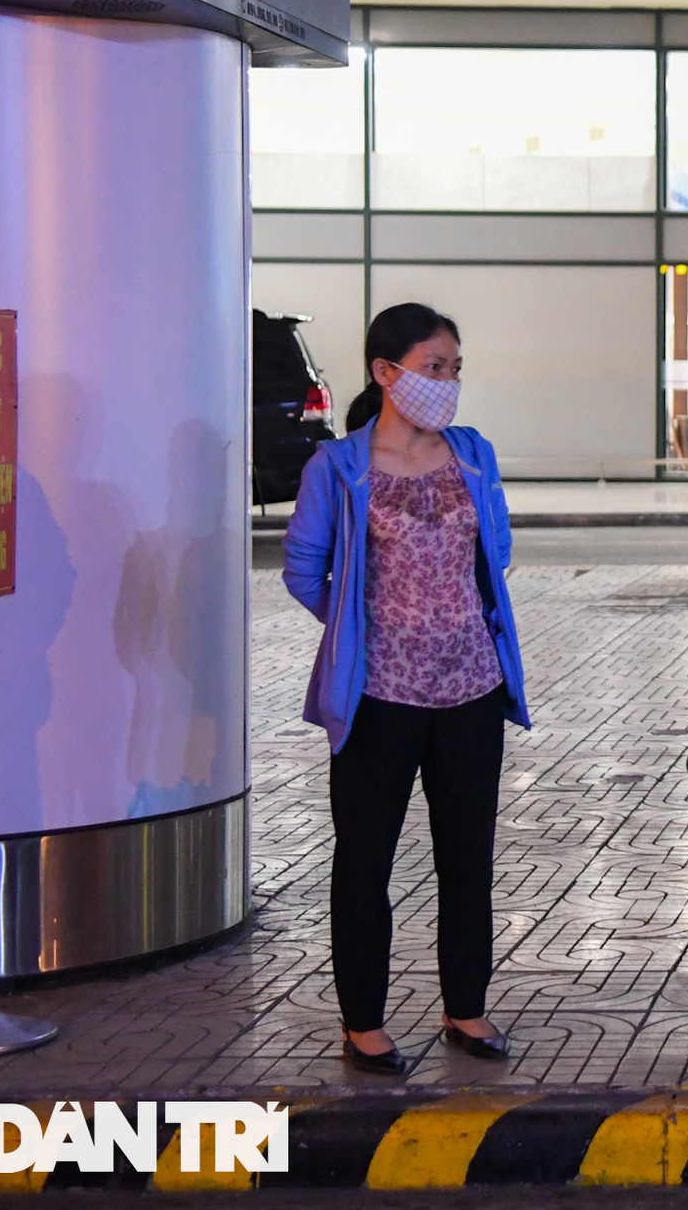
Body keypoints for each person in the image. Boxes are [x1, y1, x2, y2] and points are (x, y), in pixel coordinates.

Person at [283, 303, 532, 1075]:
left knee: (469, 860)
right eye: (434, 367)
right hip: (378, 699)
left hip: (470, 692)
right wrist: (362, 627)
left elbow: (500, 547)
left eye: (455, 368)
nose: (447, 383)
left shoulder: (474, 454)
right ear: (386, 373)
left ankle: (467, 1008)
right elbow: (303, 568)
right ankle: (364, 1024)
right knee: (365, 862)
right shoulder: (340, 468)